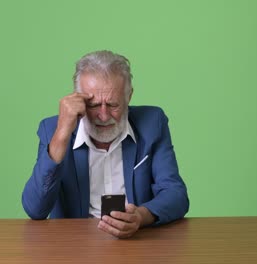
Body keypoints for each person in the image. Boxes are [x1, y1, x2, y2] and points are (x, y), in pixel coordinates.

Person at [22, 50, 189, 238]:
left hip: (137, 241)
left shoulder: (152, 123)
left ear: (129, 97)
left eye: (113, 104)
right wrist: (61, 134)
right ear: (78, 100)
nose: (103, 116)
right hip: (74, 245)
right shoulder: (53, 129)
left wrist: (141, 216)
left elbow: (176, 195)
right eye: (93, 105)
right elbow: (35, 209)